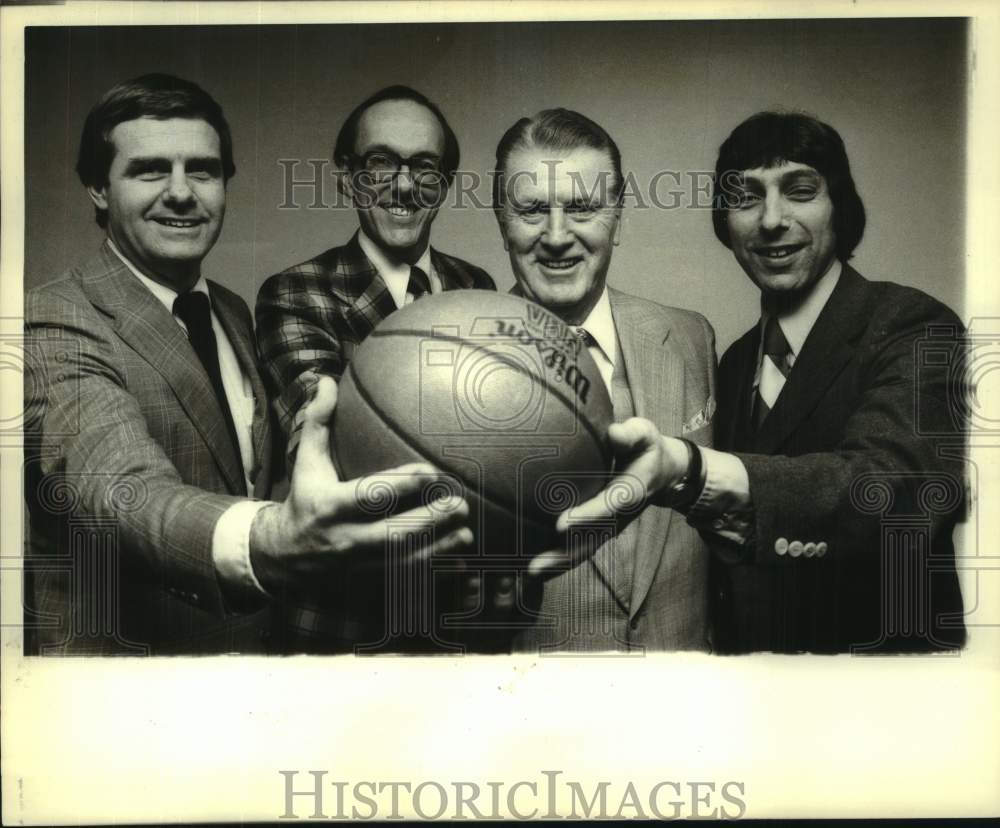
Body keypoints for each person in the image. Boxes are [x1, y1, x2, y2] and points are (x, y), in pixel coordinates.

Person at [23, 74, 472, 656]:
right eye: (150, 170)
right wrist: (269, 538)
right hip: (128, 686)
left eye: (203, 170)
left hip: (255, 670)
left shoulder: (232, 313)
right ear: (98, 190)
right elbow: (118, 488)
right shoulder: (53, 316)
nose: (182, 193)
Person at [563, 111, 967, 654]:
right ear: (724, 221)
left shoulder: (914, 324)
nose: (771, 220)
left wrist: (694, 468)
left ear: (840, 208)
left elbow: (893, 490)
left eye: (799, 191)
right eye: (747, 197)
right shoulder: (731, 363)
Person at [492, 109, 718, 651]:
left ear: (619, 216)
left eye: (583, 208)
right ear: (501, 220)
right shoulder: (454, 374)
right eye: (531, 210)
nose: (556, 236)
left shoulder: (691, 337)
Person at [256, 85, 495, 463]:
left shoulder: (476, 287)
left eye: (424, 167)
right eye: (380, 162)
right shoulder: (295, 293)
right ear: (347, 178)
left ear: (444, 186)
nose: (403, 185)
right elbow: (324, 440)